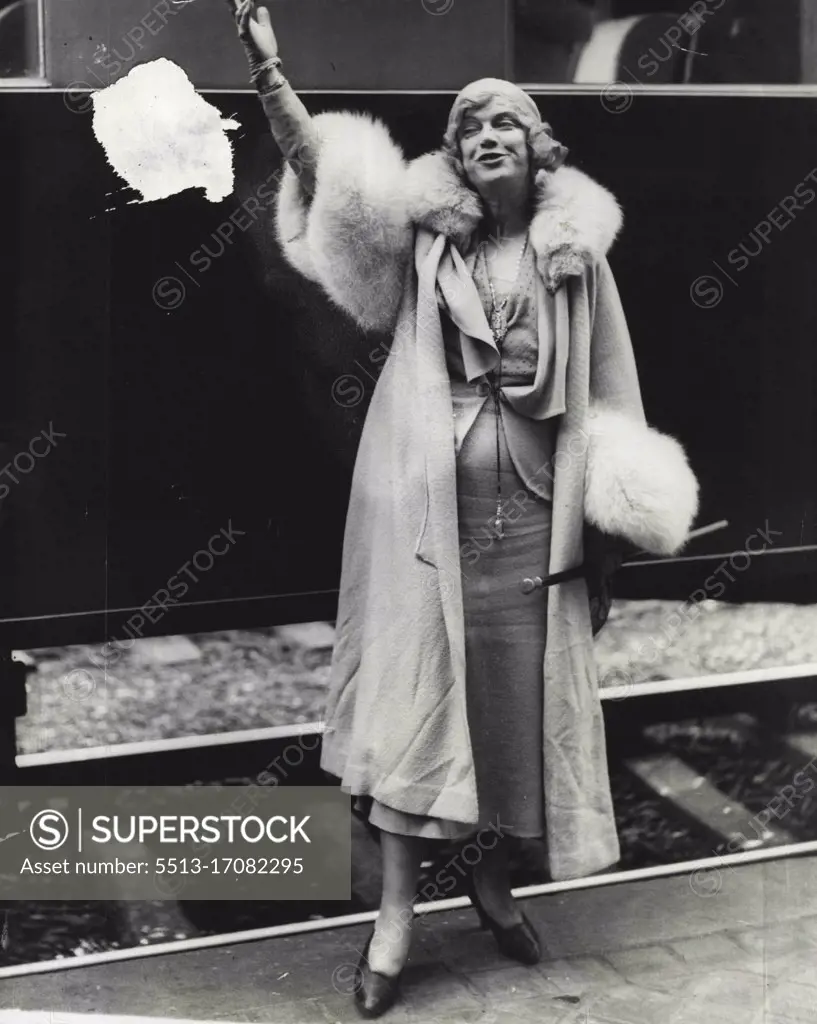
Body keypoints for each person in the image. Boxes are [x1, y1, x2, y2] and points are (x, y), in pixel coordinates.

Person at [228, 2, 699, 1016]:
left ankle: (491, 883)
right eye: (469, 130)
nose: (486, 139)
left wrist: (612, 531)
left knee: (510, 716)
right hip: (422, 525)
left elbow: (613, 394)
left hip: (535, 526)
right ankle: (394, 918)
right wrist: (272, 77)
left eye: (506, 128)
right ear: (453, 158)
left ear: (538, 152)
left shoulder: (576, 258)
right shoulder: (420, 247)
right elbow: (324, 177)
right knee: (412, 713)